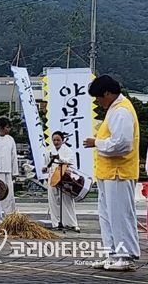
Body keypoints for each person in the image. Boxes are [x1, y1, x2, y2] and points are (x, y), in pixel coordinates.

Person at [83, 75, 140, 271]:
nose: (98, 102)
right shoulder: (114, 109)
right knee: (107, 216)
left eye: (98, 98)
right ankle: (113, 253)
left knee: (120, 216)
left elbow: (122, 144)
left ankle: (126, 256)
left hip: (119, 173)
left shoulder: (122, 111)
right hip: (108, 172)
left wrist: (96, 143)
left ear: (107, 93)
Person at [43, 131, 79, 232]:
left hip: (64, 178)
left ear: (62, 140)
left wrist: (60, 158)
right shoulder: (49, 151)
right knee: (53, 201)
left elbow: (70, 162)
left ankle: (71, 223)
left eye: (58, 140)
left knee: (67, 201)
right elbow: (46, 165)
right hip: (52, 178)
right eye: (54, 140)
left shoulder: (68, 151)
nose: (56, 142)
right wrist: (44, 169)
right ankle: (55, 223)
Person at [0, 117, 18, 214]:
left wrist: (15, 172)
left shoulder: (10, 139)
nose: (9, 129)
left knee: (8, 194)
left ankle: (9, 214)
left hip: (8, 171)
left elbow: (13, 156)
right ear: (1, 127)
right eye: (7, 127)